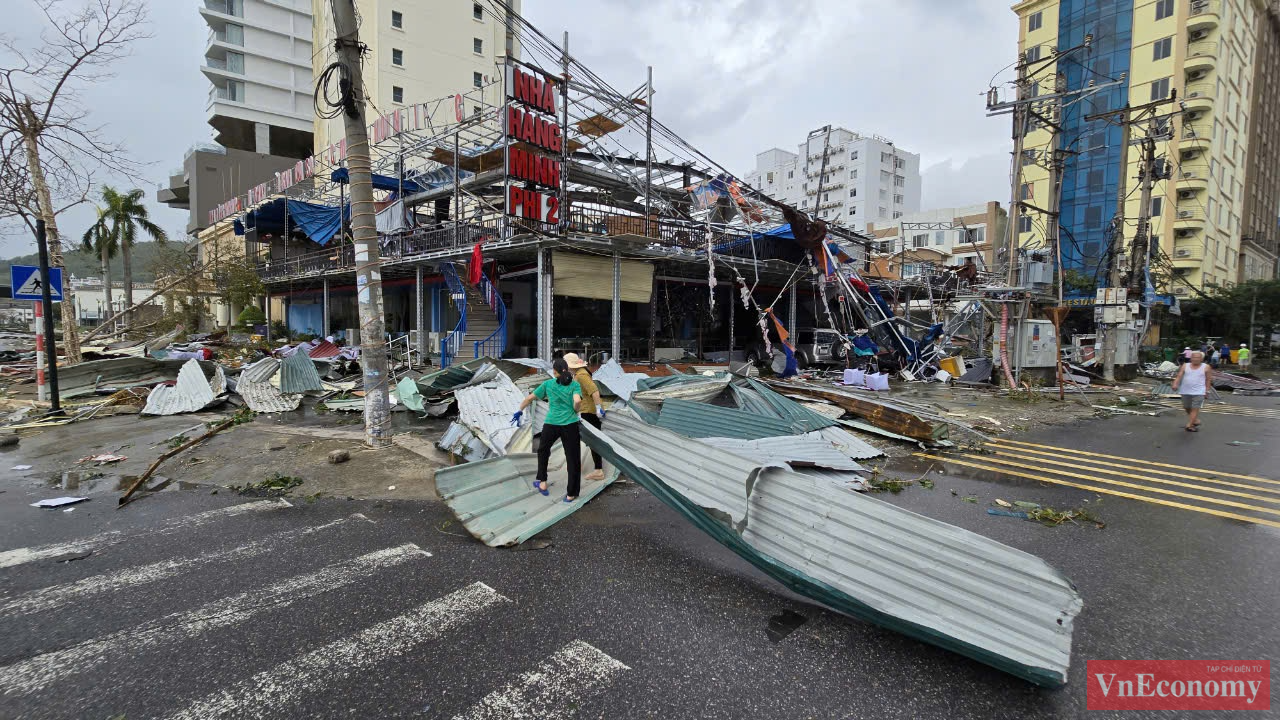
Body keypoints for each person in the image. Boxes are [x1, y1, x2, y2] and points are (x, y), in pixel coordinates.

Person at [512, 358, 584, 502]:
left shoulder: (548, 384)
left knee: (543, 451)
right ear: (567, 369)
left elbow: (529, 399)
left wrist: (519, 410)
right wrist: (576, 410)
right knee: (572, 458)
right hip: (570, 425)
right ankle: (571, 494)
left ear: (554, 371)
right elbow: (577, 401)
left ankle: (543, 482)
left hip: (551, 423)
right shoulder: (574, 385)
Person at [563, 353, 607, 481]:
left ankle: (595, 470)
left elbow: (594, 390)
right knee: (591, 441)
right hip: (586, 411)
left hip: (589, 412)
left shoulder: (581, 375)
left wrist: (598, 407)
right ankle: (595, 469)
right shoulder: (579, 373)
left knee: (587, 440)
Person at [1171, 351, 1211, 432]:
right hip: (1185, 390)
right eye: (1194, 357)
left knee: (1195, 408)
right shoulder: (1185, 365)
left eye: (1197, 358)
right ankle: (1195, 420)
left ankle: (1190, 425)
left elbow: (1208, 379)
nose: (1195, 359)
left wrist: (1207, 391)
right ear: (1191, 358)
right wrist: (1175, 384)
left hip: (1199, 391)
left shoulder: (1206, 367)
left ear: (1201, 359)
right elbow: (1179, 375)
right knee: (1186, 407)